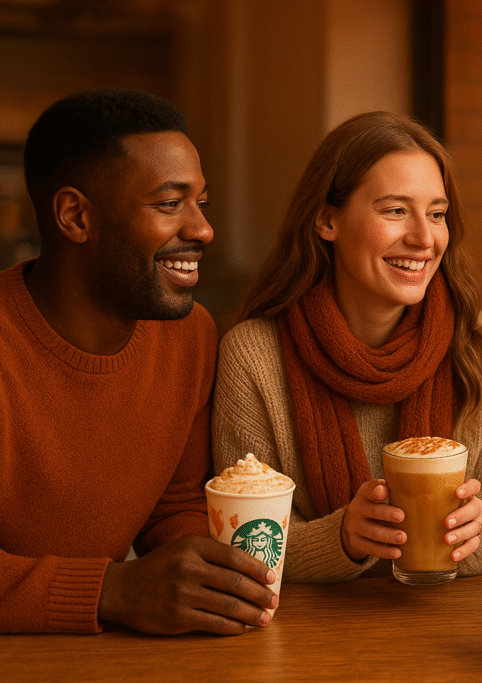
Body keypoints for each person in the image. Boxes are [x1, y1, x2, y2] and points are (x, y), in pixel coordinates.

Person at [0, 88, 277, 635]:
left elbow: (171, 507)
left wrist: (213, 579)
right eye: (170, 204)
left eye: (202, 203)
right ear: (75, 217)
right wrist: (112, 590)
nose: (202, 230)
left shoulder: (189, 337)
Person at [212, 112, 482, 582]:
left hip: (449, 631)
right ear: (326, 220)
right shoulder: (254, 355)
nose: (424, 238)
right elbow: (245, 546)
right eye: (395, 211)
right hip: (307, 640)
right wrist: (341, 538)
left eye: (437, 214)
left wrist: (469, 537)